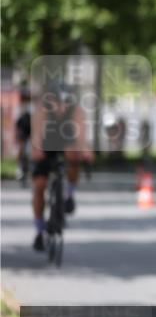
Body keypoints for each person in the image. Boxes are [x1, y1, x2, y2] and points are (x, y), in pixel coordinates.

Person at [29, 83, 93, 251]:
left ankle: (69, 194)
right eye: (58, 101)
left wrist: (86, 152)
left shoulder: (76, 111)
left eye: (66, 102)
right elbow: (36, 136)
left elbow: (81, 137)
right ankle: (39, 230)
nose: (62, 106)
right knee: (39, 186)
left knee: (73, 153)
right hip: (46, 146)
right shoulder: (42, 110)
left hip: (66, 143)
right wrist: (37, 151)